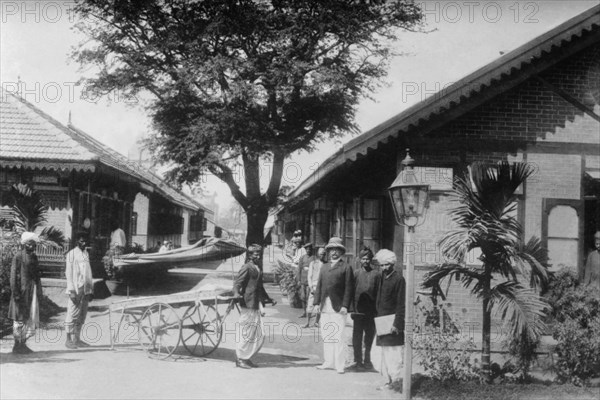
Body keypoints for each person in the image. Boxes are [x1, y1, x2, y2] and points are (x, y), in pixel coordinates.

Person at [313, 237, 354, 374]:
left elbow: (349, 288)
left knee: (338, 336)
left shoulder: (346, 267)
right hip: (325, 306)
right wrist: (316, 303)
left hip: (338, 307)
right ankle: (328, 362)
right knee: (327, 335)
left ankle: (339, 364)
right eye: (331, 250)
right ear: (328, 252)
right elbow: (319, 286)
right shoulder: (324, 267)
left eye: (337, 250)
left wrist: (345, 305)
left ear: (341, 252)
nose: (334, 253)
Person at [233, 244, 276, 369]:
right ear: (249, 255)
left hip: (256, 304)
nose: (257, 256)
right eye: (255, 254)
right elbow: (237, 283)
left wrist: (268, 299)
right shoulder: (247, 267)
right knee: (246, 332)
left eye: (259, 254)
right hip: (248, 303)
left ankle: (247, 358)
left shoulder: (257, 268)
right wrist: (236, 294)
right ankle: (240, 359)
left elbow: (260, 287)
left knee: (258, 333)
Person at [374, 249, 405, 390]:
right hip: (382, 322)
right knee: (382, 354)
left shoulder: (399, 279)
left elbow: (401, 304)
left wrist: (397, 324)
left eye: (387, 265)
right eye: (381, 265)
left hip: (392, 323)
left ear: (392, 264)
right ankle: (387, 380)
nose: (384, 268)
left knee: (394, 354)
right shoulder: (381, 277)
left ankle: (396, 382)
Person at [9, 232, 42, 354]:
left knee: (29, 317)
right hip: (21, 292)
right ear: (24, 244)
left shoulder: (34, 257)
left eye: (33, 244)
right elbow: (13, 277)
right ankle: (17, 345)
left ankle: (23, 344)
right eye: (29, 244)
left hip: (31, 291)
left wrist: (39, 291)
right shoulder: (18, 256)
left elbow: (37, 276)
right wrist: (16, 293)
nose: (31, 246)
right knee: (19, 318)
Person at [351, 247, 380, 371]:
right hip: (358, 311)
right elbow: (351, 291)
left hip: (371, 312)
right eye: (363, 258)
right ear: (359, 260)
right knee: (357, 337)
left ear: (371, 260)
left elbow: (379, 293)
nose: (366, 261)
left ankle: (368, 360)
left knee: (369, 337)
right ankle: (358, 361)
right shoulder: (356, 273)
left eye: (368, 259)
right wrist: (352, 309)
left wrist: (378, 311)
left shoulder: (376, 274)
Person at [64, 232, 94, 349]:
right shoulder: (71, 254)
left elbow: (88, 273)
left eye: (85, 241)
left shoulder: (86, 253)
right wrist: (71, 290)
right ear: (77, 242)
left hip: (85, 289)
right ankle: (68, 340)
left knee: (82, 315)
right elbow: (69, 274)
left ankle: (77, 339)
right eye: (81, 241)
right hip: (76, 289)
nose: (84, 243)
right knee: (72, 314)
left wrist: (90, 290)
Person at [305, 247, 326, 328]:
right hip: (314, 286)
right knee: (310, 305)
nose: (322, 256)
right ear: (318, 254)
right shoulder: (313, 263)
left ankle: (316, 322)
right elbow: (309, 276)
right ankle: (307, 322)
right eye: (321, 254)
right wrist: (311, 287)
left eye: (324, 254)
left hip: (322, 287)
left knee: (320, 305)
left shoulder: (326, 264)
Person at [297, 243, 315, 318]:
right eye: (307, 249)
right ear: (305, 250)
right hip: (303, 281)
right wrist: (298, 280)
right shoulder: (302, 258)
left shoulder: (314, 258)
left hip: (310, 281)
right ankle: (304, 312)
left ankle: (309, 312)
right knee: (303, 297)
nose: (308, 250)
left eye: (310, 249)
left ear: (311, 249)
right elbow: (299, 269)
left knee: (309, 298)